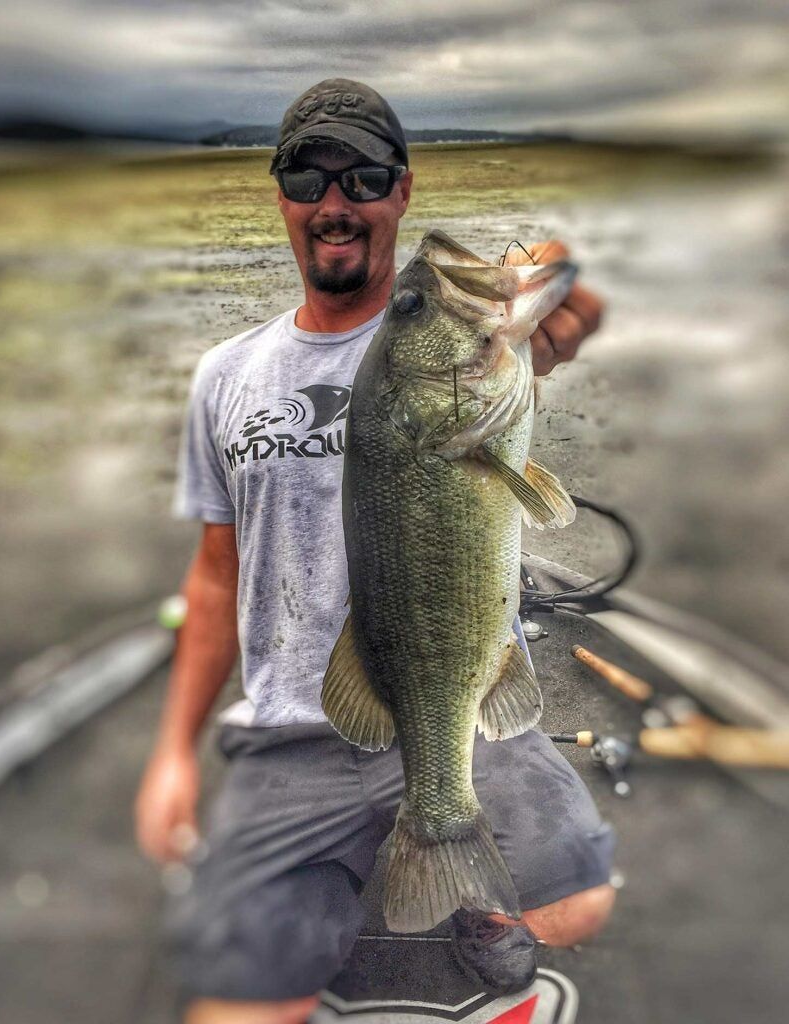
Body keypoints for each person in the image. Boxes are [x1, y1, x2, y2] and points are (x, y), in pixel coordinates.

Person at [135, 78, 615, 1024]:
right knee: (235, 1009)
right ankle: (357, 895)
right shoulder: (225, 375)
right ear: (280, 197)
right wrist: (173, 754)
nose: (334, 201)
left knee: (580, 902)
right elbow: (213, 572)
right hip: (286, 726)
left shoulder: (475, 360)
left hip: (455, 697)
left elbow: (559, 278)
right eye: (307, 177)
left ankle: (428, 864)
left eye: (363, 176)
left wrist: (558, 297)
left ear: (400, 191)